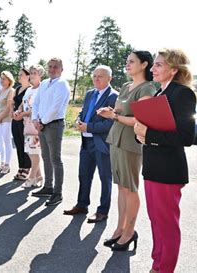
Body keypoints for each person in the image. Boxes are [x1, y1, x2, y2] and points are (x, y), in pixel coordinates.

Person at [134, 48, 196, 273]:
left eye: (159, 64)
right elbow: (150, 127)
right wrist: (140, 133)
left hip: (169, 170)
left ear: (174, 69)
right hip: (152, 167)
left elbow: (185, 137)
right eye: (154, 64)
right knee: (155, 222)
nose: (153, 68)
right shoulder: (160, 94)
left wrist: (148, 134)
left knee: (167, 226)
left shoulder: (182, 94)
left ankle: (164, 268)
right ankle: (156, 265)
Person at [97, 51, 156, 250]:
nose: (127, 64)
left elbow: (141, 120)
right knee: (121, 187)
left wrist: (113, 117)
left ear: (144, 64)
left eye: (132, 61)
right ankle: (120, 229)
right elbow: (120, 113)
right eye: (127, 61)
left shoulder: (147, 88)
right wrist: (111, 114)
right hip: (116, 139)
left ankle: (130, 232)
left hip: (131, 143)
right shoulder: (125, 86)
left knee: (130, 188)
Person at [63, 65, 118, 219]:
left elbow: (111, 124)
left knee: (104, 177)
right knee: (84, 175)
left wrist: (89, 127)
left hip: (102, 143)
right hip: (86, 143)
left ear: (109, 79)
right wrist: (78, 121)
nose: (96, 79)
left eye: (100, 76)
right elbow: (83, 112)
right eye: (94, 76)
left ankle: (103, 211)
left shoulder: (113, 97)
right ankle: (82, 204)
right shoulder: (89, 94)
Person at [31, 58, 70, 206]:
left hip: (54, 125)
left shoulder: (62, 84)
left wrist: (42, 122)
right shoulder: (44, 84)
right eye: (50, 67)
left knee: (55, 159)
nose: (52, 69)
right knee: (45, 157)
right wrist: (35, 119)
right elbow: (36, 103)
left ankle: (57, 192)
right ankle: (48, 186)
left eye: (56, 67)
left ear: (61, 69)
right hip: (41, 124)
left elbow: (56, 107)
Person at [20, 65, 45, 188]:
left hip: (35, 125)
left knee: (34, 152)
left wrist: (23, 113)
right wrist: (18, 111)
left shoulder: (42, 89)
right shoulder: (29, 90)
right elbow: (22, 103)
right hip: (27, 124)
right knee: (30, 152)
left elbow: (38, 108)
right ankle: (39, 176)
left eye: (35, 72)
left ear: (40, 75)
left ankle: (31, 178)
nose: (32, 75)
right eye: (31, 72)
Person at [12, 68, 32, 181]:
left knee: (25, 145)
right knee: (18, 144)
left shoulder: (30, 89)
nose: (19, 77)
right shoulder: (18, 88)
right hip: (15, 119)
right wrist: (12, 113)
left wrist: (21, 114)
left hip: (24, 119)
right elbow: (13, 103)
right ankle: (21, 167)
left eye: (21, 75)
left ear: (28, 76)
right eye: (18, 75)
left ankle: (27, 168)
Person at [0, 71, 15, 174]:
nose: (1, 80)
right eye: (1, 78)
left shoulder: (11, 91)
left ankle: (7, 164)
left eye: (4, 79)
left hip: (6, 119)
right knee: (0, 141)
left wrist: (1, 117)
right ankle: (1, 162)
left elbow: (9, 106)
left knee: (7, 141)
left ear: (9, 80)